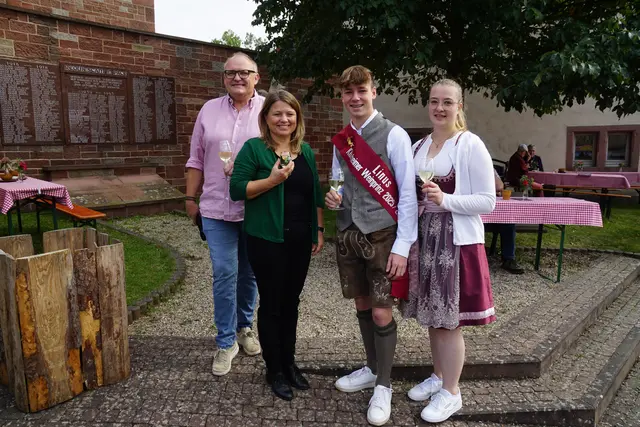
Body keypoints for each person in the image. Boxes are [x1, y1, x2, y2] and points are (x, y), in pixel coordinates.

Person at [325, 65, 418, 426]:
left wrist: (403, 246)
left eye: (361, 90)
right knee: (362, 304)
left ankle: (384, 385)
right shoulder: (342, 140)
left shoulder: (394, 135)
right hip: (349, 234)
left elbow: (407, 194)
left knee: (382, 312)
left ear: (373, 92)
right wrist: (333, 197)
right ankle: (371, 367)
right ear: (342, 97)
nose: (355, 98)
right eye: (348, 92)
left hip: (382, 236)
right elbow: (337, 181)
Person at [402, 79, 496, 423]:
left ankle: (452, 392)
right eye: (434, 101)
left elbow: (488, 201)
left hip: (454, 241)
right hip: (425, 237)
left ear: (459, 106)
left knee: (448, 321)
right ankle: (439, 376)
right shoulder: (420, 145)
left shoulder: (469, 144)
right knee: (432, 315)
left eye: (447, 102)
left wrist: (446, 199)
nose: (439, 108)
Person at [229, 90, 325, 401]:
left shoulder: (305, 151)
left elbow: (315, 193)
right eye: (277, 113)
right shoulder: (254, 149)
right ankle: (274, 370)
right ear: (266, 118)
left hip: (299, 239)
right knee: (272, 304)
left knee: (291, 302)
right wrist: (272, 180)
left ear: (297, 118)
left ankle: (289, 362)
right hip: (266, 239)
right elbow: (237, 190)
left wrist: (318, 229)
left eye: (290, 114)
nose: (284, 119)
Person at [184, 52, 263, 377]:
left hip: (256, 207)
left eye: (244, 72)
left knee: (250, 273)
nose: (237, 78)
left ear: (256, 77)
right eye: (231, 73)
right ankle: (226, 341)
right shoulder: (208, 110)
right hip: (216, 208)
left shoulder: (269, 109)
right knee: (224, 272)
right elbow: (196, 158)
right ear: (224, 78)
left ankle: (245, 327)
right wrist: (190, 199)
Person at [484, 169, 524, 274]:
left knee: (508, 223)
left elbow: (499, 186)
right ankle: (476, 259)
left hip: (490, 215)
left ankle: (508, 259)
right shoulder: (463, 166)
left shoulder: (488, 167)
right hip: (472, 215)